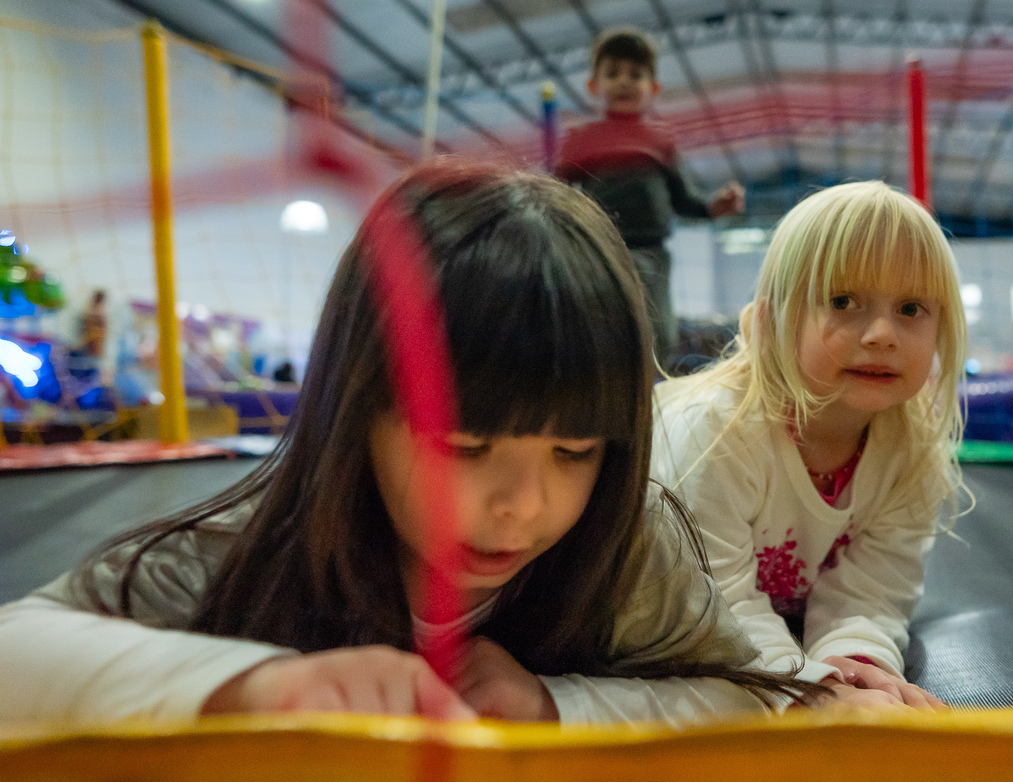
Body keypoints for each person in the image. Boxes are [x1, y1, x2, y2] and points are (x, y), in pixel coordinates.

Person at [0, 161, 828, 727]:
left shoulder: (627, 548)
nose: (522, 505)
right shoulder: (256, 550)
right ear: (356, 411)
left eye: (575, 452)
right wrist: (253, 687)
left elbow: (751, 697)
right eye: (465, 446)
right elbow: (17, 650)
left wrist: (555, 704)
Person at [652, 181, 968, 709]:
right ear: (771, 321)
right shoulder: (720, 431)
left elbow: (873, 590)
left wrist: (858, 667)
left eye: (911, 308)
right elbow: (712, 604)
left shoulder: (909, 451)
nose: (882, 333)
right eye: (843, 301)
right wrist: (808, 690)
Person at [555, 27, 744, 368]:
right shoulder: (582, 140)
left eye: (635, 74)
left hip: (651, 253)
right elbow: (558, 192)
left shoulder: (660, 141)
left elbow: (682, 200)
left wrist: (713, 207)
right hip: (599, 249)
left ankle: (650, 385)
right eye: (613, 73)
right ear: (593, 86)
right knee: (601, 326)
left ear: (653, 88)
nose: (624, 82)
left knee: (657, 333)